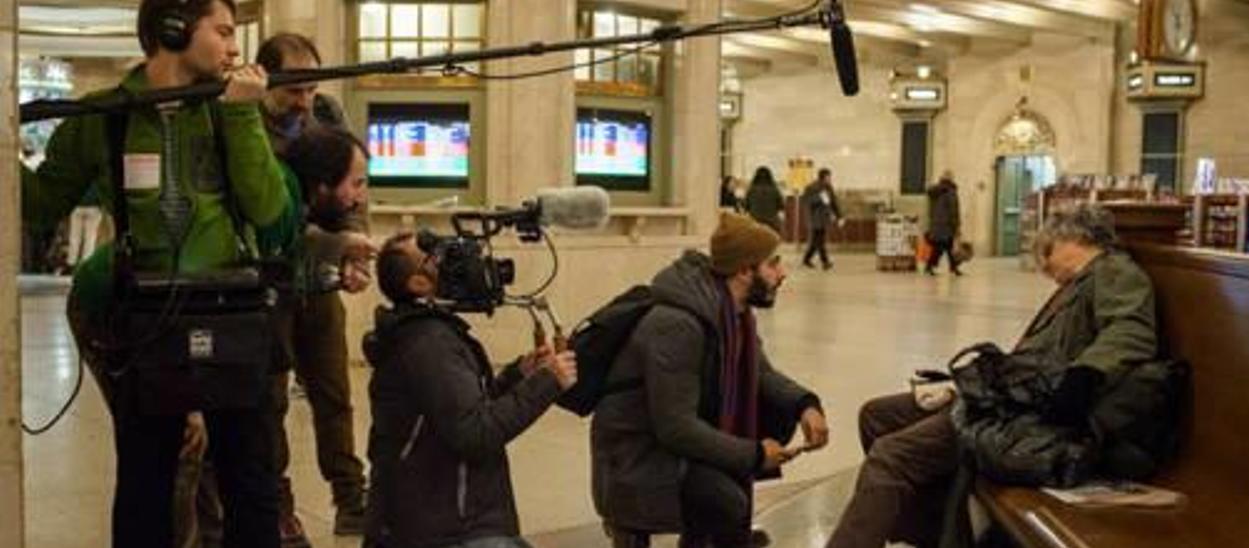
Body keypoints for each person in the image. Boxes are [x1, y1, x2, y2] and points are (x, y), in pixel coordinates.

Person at [21, 0, 288, 545]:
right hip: (146, 325)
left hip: (232, 312)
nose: (235, 47)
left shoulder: (231, 108)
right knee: (145, 486)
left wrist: (241, 115)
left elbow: (267, 209)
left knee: (252, 486)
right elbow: (36, 204)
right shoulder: (101, 116)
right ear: (173, 29)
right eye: (223, 32)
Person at [825, 205, 1160, 548]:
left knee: (891, 455)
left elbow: (1131, 329)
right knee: (877, 415)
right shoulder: (1079, 283)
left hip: (1026, 418)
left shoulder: (1112, 270)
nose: (1044, 266)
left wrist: (1086, 374)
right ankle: (931, 531)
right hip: (1009, 399)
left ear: (1075, 237)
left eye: (1048, 252)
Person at [592, 212, 830, 548]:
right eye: (773, 264)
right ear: (745, 270)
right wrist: (753, 455)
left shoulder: (733, 314)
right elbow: (675, 427)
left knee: (778, 413)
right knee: (726, 501)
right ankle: (714, 532)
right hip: (638, 460)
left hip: (670, 444)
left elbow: (761, 374)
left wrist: (806, 405)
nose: (782, 274)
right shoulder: (678, 325)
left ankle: (710, 536)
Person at [362, 232, 579, 548]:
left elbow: (459, 408)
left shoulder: (424, 333)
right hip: (445, 530)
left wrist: (519, 376)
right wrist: (548, 383)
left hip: (444, 518)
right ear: (419, 284)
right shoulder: (430, 344)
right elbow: (474, 433)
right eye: (439, 257)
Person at [258, 32, 374, 543]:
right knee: (270, 401)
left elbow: (354, 187)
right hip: (271, 284)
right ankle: (277, 504)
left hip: (319, 285)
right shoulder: (245, 126)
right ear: (265, 80)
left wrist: (355, 251)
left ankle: (351, 498)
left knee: (334, 395)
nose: (303, 102)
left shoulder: (326, 114)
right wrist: (336, 243)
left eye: (310, 90)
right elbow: (271, 221)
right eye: (293, 90)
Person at [801, 168, 842, 270]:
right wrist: (819, 198)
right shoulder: (811, 187)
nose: (829, 179)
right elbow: (806, 202)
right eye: (828, 177)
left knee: (816, 241)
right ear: (822, 177)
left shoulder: (828, 188)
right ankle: (825, 262)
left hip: (824, 218)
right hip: (814, 218)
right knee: (819, 241)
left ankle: (806, 259)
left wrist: (839, 216)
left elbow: (833, 203)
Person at [924, 171, 961, 276]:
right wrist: (957, 225)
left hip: (936, 224)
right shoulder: (951, 191)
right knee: (940, 248)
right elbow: (953, 210)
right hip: (947, 225)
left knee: (947, 247)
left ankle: (953, 268)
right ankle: (929, 266)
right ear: (951, 179)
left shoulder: (935, 191)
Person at [744, 167, 784, 235]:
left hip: (755, 221)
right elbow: (781, 205)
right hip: (772, 222)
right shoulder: (774, 189)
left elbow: (746, 206)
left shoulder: (751, 189)